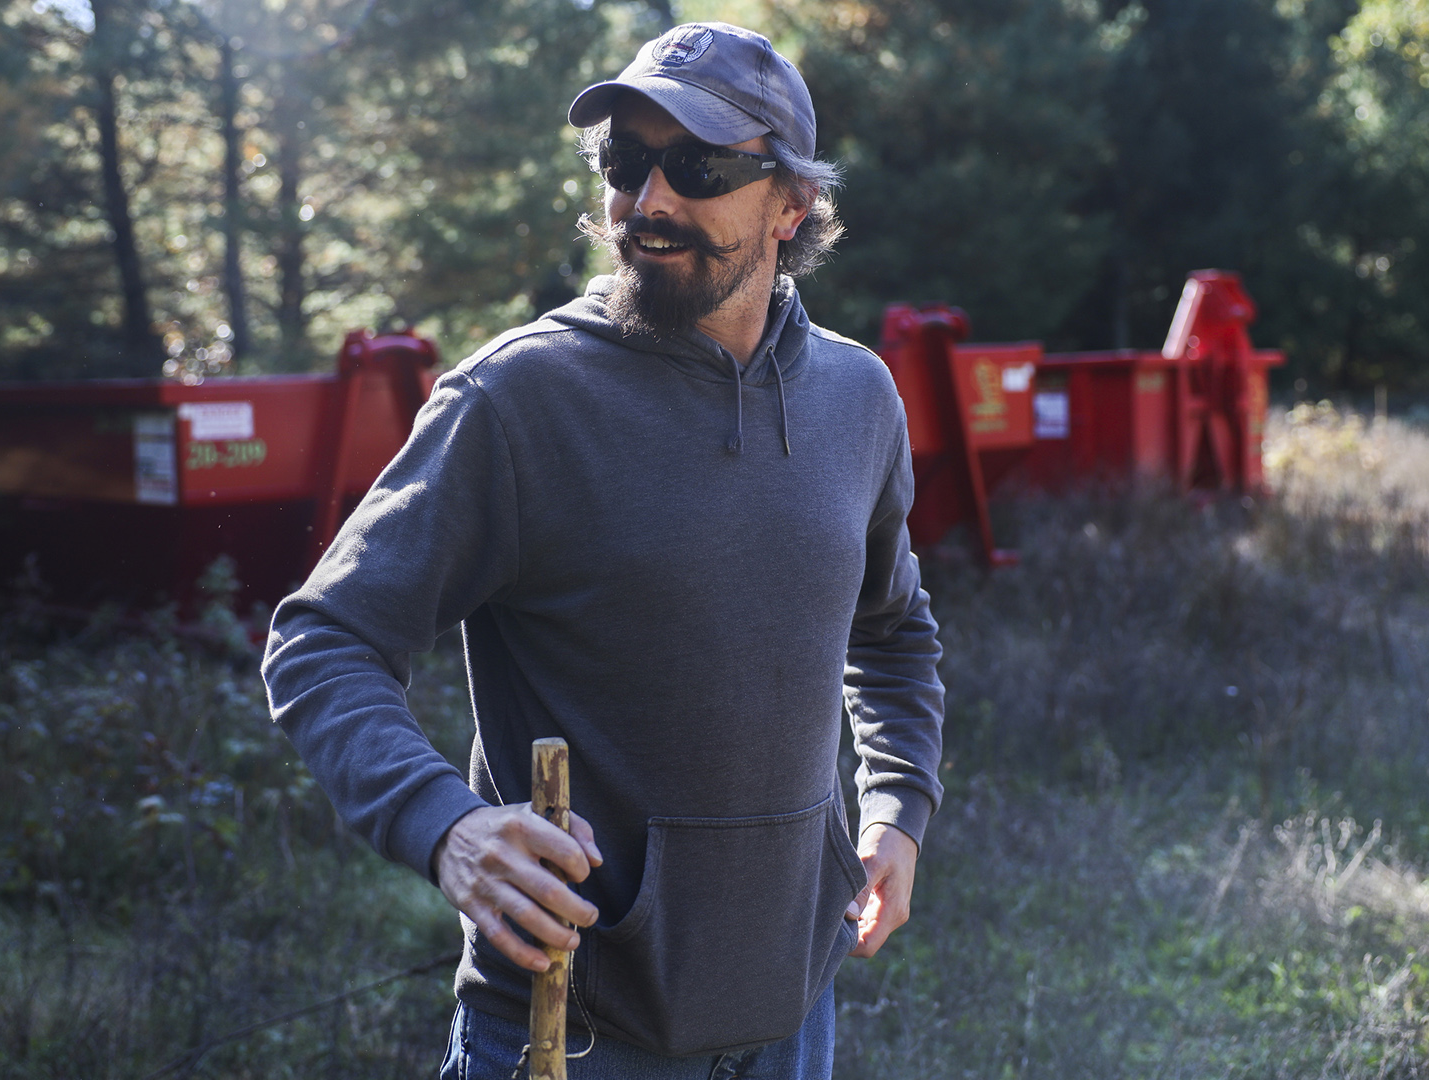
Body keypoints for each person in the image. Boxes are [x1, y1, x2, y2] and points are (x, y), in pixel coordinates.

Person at [261, 21, 944, 1080]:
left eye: (701, 166)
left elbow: (892, 632)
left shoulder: (858, 398)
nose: (652, 199)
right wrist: (449, 829)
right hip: (564, 1039)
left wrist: (897, 808)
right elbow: (321, 641)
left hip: (792, 1025)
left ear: (791, 203)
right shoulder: (519, 400)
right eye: (627, 161)